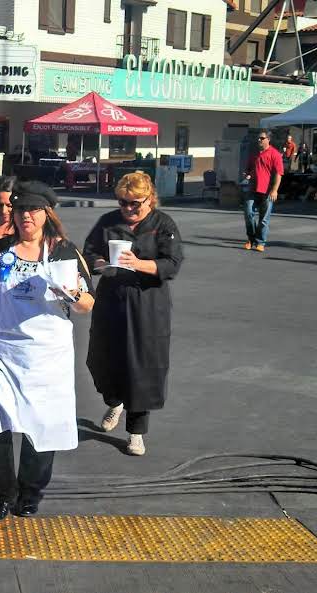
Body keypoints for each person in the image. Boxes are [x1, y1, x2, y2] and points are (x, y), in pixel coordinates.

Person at [0, 180, 94, 525]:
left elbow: (87, 305)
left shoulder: (64, 252)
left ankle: (30, 491)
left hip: (46, 357)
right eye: (20, 209)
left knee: (42, 426)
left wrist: (73, 294)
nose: (25, 216)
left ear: (46, 214)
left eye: (32, 210)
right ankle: (4, 495)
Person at [83, 171, 183, 457]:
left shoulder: (163, 224)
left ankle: (136, 432)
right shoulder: (108, 222)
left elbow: (172, 264)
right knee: (101, 359)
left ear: (149, 198)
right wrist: (102, 263)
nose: (128, 208)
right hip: (111, 300)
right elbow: (88, 254)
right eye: (122, 202)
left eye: (135, 203)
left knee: (143, 367)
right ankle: (114, 400)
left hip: (148, 304)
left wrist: (138, 263)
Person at [243, 129, 283, 252]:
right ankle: (251, 239)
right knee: (249, 214)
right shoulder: (254, 154)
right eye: (258, 138)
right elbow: (247, 170)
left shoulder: (274, 154)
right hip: (253, 189)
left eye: (262, 138)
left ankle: (260, 242)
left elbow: (278, 174)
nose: (259, 140)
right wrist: (247, 175)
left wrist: (274, 190)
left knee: (264, 219)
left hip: (267, 191)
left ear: (268, 140)